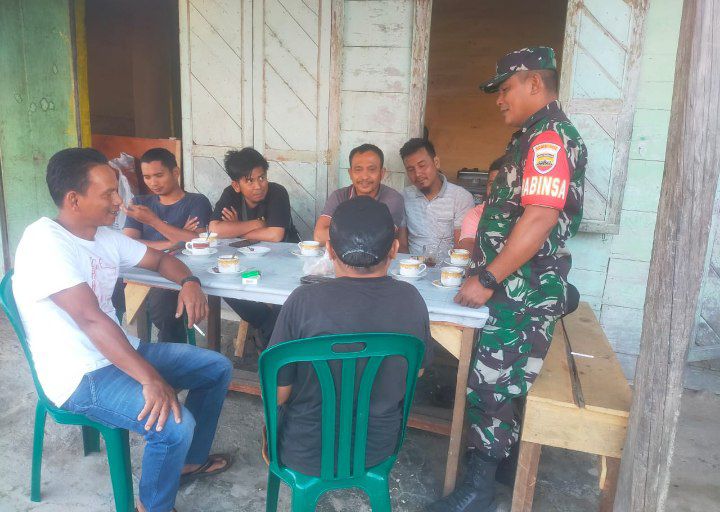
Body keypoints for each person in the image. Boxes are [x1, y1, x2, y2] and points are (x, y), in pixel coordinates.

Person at [13, 148, 233, 512]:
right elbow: (91, 320)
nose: (119, 201)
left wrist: (190, 282)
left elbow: (160, 259)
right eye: (108, 194)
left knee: (216, 367)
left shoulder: (103, 236)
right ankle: (153, 506)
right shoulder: (45, 242)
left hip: (119, 351)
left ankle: (188, 463)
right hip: (80, 374)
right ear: (74, 199)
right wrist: (150, 378)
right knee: (174, 426)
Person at [426, 47, 587, 512]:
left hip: (521, 290)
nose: (499, 99)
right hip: (514, 287)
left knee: (492, 385)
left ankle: (478, 493)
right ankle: (497, 469)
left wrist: (488, 278)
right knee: (498, 382)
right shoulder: (532, 136)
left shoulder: (549, 139)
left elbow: (538, 219)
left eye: (505, 88)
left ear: (535, 83)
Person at [268, 196, 433, 476]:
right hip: (377, 451)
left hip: (305, 451)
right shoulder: (412, 299)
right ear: (395, 250)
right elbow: (415, 373)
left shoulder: (302, 301)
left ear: (330, 250)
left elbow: (277, 395)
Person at [209, 148, 298, 345]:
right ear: (236, 185)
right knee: (224, 285)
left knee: (283, 302)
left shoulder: (277, 192)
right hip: (247, 264)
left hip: (283, 263)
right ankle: (267, 326)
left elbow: (275, 235)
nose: (258, 186)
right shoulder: (230, 194)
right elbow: (215, 229)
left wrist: (236, 229)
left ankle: (270, 334)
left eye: (262, 178)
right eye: (249, 181)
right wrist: (258, 224)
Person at [123, 148, 213, 342]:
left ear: (175, 172)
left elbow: (197, 242)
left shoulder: (196, 202)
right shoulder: (140, 203)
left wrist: (153, 222)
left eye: (159, 175)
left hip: (178, 271)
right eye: (147, 177)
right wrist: (174, 241)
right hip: (141, 271)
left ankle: (173, 349)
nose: (153, 183)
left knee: (162, 308)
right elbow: (128, 244)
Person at [313, 143, 407, 250]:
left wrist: (340, 229)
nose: (365, 177)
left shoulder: (393, 198)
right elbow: (319, 236)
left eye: (372, 169)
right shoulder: (339, 196)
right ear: (350, 173)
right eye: (358, 169)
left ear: (382, 173)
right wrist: (363, 230)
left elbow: (378, 238)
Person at [401, 138, 475, 259]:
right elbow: (402, 244)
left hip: (448, 267)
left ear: (436, 162)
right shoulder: (404, 197)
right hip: (413, 265)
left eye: (422, 166)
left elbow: (461, 246)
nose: (418, 174)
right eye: (411, 169)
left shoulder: (461, 197)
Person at [456, 157, 503, 253]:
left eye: (502, 184)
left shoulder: (526, 213)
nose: (495, 189)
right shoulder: (476, 213)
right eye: (491, 184)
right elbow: (466, 245)